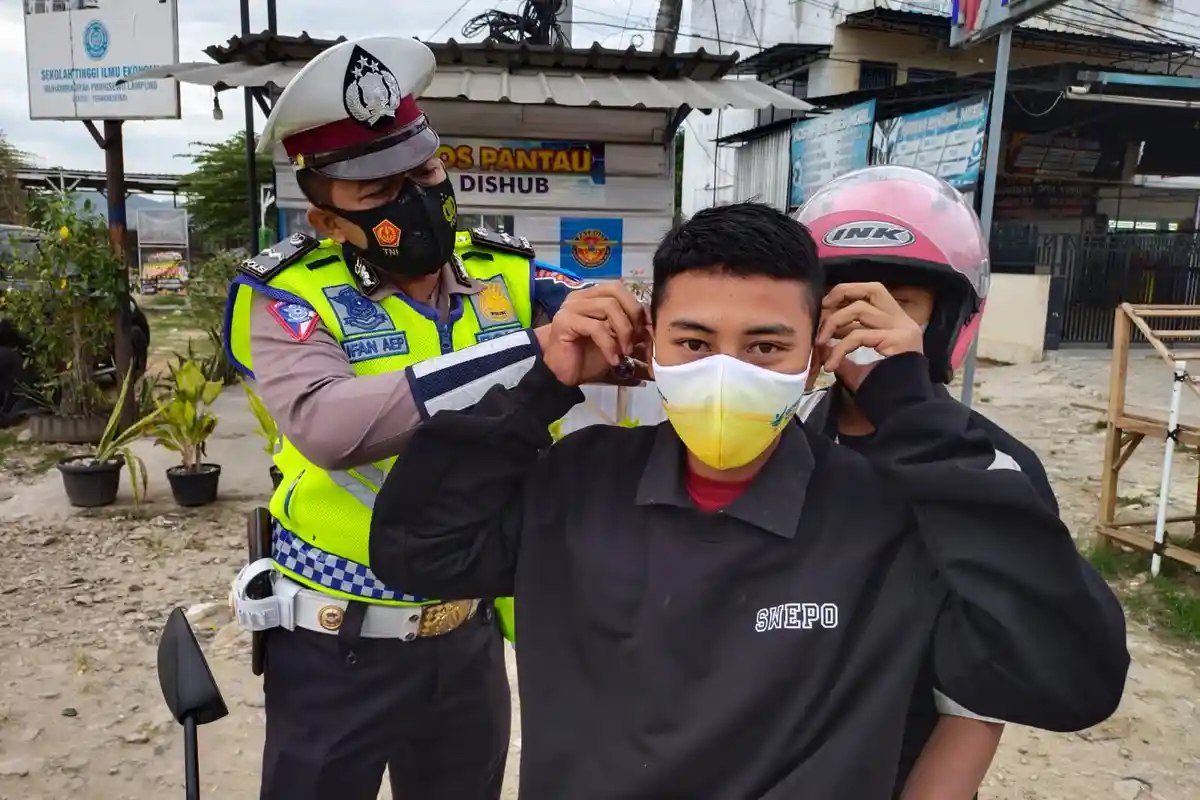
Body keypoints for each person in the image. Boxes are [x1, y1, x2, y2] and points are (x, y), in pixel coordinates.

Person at [368, 202, 1130, 798]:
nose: (727, 371)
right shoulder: (577, 481)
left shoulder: (892, 513)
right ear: (646, 343)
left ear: (815, 363)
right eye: (694, 343)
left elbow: (1069, 679)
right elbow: (416, 549)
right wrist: (541, 389)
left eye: (766, 347)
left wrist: (915, 408)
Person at [222, 35, 628, 800]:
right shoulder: (286, 295)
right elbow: (329, 427)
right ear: (326, 217)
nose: (416, 197)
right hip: (333, 645)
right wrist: (531, 357)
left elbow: (615, 325)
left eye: (425, 171)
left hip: (466, 639)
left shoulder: (507, 271)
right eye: (379, 192)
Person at [792, 165, 1090, 799]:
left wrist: (905, 406)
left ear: (947, 320)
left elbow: (978, 700)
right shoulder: (786, 437)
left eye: (901, 301)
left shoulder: (984, 465)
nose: (868, 322)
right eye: (842, 299)